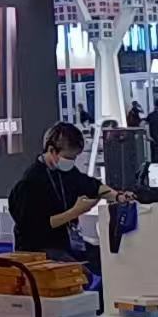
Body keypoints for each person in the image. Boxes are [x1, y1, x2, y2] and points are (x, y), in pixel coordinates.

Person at [8, 122, 131, 285]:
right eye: (68, 158)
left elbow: (92, 186)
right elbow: (37, 226)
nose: (71, 162)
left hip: (66, 243)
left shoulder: (67, 173)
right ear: (52, 150)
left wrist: (118, 196)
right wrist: (75, 211)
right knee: (82, 276)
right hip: (38, 249)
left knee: (111, 261)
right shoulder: (30, 183)